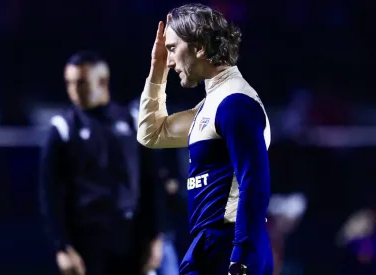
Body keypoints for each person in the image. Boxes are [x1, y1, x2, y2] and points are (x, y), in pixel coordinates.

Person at [136, 3, 273, 275]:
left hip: (230, 246)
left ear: (199, 47)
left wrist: (242, 255)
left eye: (173, 49)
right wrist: (157, 67)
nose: (170, 60)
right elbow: (151, 133)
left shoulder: (235, 103)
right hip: (211, 244)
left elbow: (254, 180)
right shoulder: (213, 103)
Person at [39, 51, 164, 275]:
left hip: (130, 236)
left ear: (103, 81)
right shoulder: (64, 128)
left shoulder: (132, 121)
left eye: (81, 83)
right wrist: (62, 246)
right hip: (87, 240)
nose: (73, 90)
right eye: (69, 83)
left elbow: (150, 181)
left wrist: (156, 235)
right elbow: (51, 194)